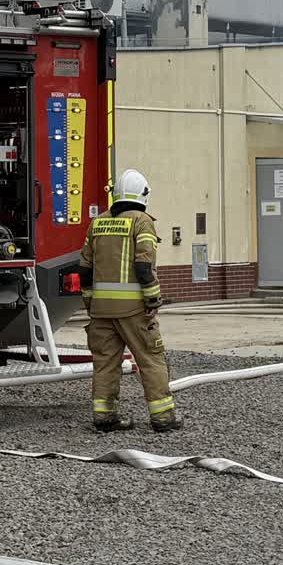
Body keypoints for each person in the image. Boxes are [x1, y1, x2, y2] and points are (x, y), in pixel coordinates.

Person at [78, 168, 180, 433]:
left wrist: (90, 303)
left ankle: (104, 417)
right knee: (151, 359)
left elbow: (85, 269)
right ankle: (163, 418)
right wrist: (153, 300)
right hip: (134, 309)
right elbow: (145, 265)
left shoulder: (97, 222)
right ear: (144, 194)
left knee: (104, 363)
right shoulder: (142, 221)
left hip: (101, 309)